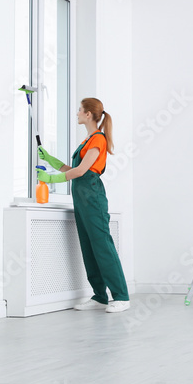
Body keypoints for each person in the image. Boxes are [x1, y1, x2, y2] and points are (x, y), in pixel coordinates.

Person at [37, 98, 130, 313]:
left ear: (88, 114)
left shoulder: (98, 139)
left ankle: (121, 296)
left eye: (80, 109)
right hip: (80, 197)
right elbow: (74, 168)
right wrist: (51, 160)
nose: (77, 112)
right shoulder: (87, 141)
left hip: (93, 197)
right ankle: (99, 296)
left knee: (103, 246)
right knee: (89, 248)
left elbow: (81, 172)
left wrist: (50, 180)